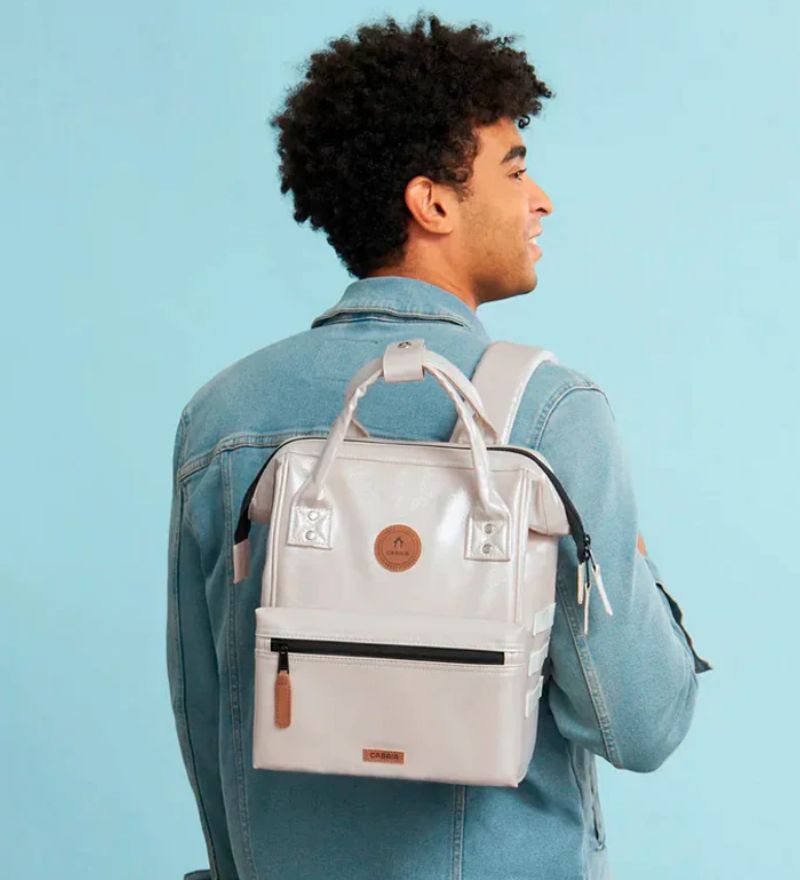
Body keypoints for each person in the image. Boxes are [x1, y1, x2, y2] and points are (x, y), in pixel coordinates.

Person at [166, 12, 711, 880]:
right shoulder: (551, 416)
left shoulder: (223, 416)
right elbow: (643, 723)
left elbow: (211, 712)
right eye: (516, 170)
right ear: (434, 203)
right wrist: (632, 565)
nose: (541, 200)